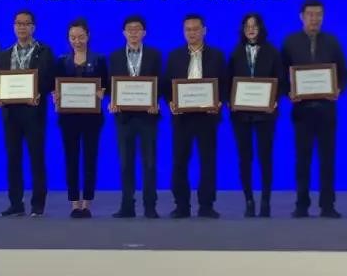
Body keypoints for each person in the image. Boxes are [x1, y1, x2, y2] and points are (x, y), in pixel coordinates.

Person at [280, 0, 347, 218]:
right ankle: (302, 204)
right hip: (302, 111)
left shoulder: (332, 41)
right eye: (310, 14)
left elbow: (343, 72)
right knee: (303, 160)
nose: (314, 19)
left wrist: (338, 88)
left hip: (327, 110)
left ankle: (328, 205)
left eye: (319, 14)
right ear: (301, 16)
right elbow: (281, 74)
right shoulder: (290, 42)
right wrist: (288, 92)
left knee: (327, 160)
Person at [0, 9, 55, 217]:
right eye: (18, 23)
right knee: (13, 158)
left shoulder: (44, 52)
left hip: (34, 112)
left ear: (33, 27)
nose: (22, 27)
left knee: (36, 157)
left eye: (26, 24)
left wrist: (39, 92)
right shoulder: (4, 54)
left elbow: (49, 80)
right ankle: (15, 203)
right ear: (14, 27)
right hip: (10, 113)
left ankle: (38, 204)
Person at [164, 14, 226, 219]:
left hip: (208, 117)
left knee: (208, 161)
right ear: (184, 32)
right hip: (182, 118)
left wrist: (219, 102)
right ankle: (181, 205)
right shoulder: (174, 56)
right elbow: (166, 86)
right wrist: (170, 102)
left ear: (204, 31)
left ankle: (206, 205)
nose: (192, 33)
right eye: (188, 30)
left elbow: (225, 84)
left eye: (195, 29)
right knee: (179, 161)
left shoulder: (217, 56)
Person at [107, 15, 163, 219]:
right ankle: (127, 206)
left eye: (137, 29)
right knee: (125, 164)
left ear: (144, 33)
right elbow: (109, 85)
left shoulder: (155, 55)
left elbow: (161, 83)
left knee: (149, 163)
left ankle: (150, 206)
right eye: (129, 29)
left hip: (148, 117)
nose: (133, 32)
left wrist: (156, 102)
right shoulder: (114, 57)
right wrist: (112, 101)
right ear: (124, 33)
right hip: (124, 118)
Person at [227, 13, 282, 217]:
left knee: (265, 157)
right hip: (241, 115)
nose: (251, 30)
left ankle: (266, 201)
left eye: (254, 26)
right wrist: (230, 101)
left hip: (265, 115)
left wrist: (274, 100)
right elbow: (228, 81)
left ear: (261, 28)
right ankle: (248, 200)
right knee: (245, 157)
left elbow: (280, 80)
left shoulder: (272, 52)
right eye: (247, 26)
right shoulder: (235, 53)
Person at [53, 19, 109, 218]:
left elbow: (108, 84)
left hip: (92, 118)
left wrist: (104, 92)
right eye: (73, 37)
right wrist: (56, 95)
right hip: (68, 118)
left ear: (88, 36)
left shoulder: (99, 60)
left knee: (90, 158)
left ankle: (87, 202)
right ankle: (74, 202)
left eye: (81, 37)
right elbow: (54, 85)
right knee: (71, 158)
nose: (77, 41)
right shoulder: (61, 61)